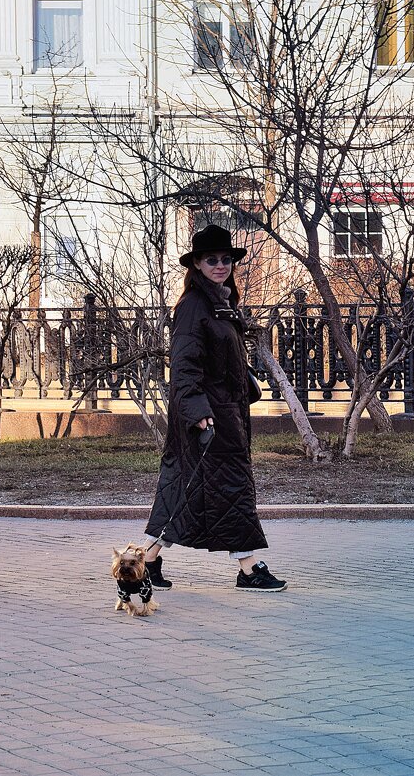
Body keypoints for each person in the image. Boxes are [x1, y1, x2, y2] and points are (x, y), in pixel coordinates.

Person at [142, 224, 287, 592]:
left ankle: (146, 561)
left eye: (226, 259)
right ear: (197, 265)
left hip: (223, 412)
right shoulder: (194, 305)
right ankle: (250, 569)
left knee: (185, 490)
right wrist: (196, 409)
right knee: (230, 487)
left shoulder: (221, 302)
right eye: (212, 260)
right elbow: (185, 363)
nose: (220, 265)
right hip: (208, 416)